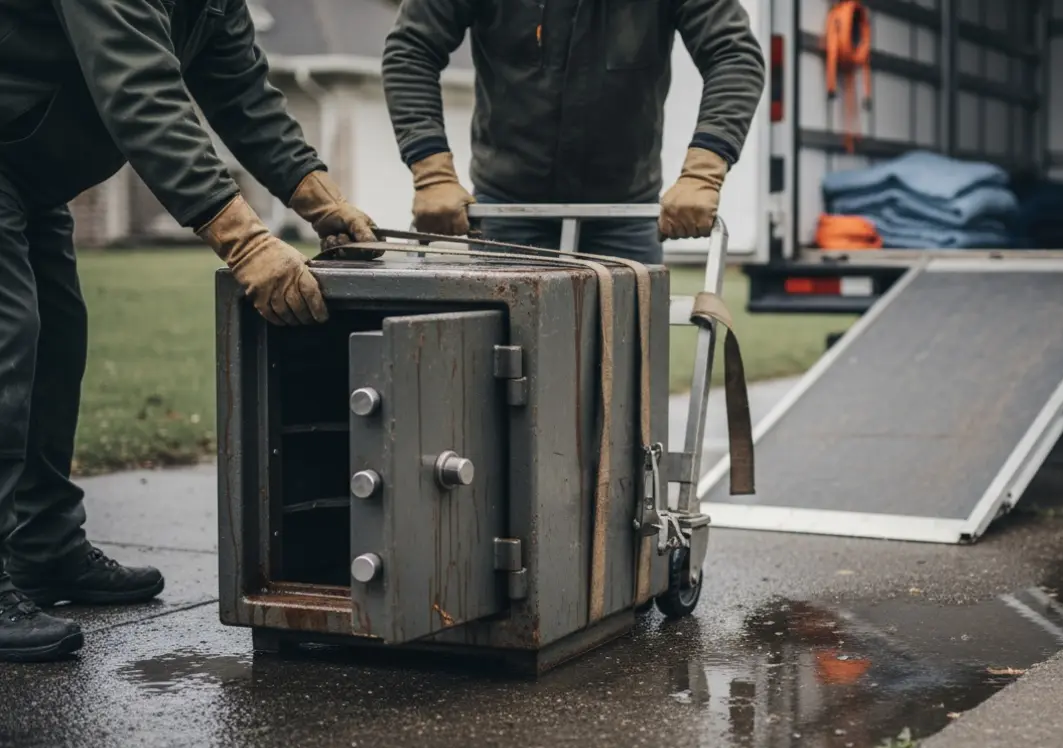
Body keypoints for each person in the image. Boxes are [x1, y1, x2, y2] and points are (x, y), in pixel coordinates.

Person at [0, 0, 378, 662]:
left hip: (30, 176)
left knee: (57, 346)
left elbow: (241, 93)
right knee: (9, 340)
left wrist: (320, 198)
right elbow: (140, 88)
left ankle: (44, 547)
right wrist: (244, 239)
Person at [381, 0, 766, 259]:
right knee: (503, 353)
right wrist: (433, 176)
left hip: (625, 213)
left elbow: (733, 55)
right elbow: (412, 49)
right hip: (509, 210)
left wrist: (702, 175)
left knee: (627, 354)